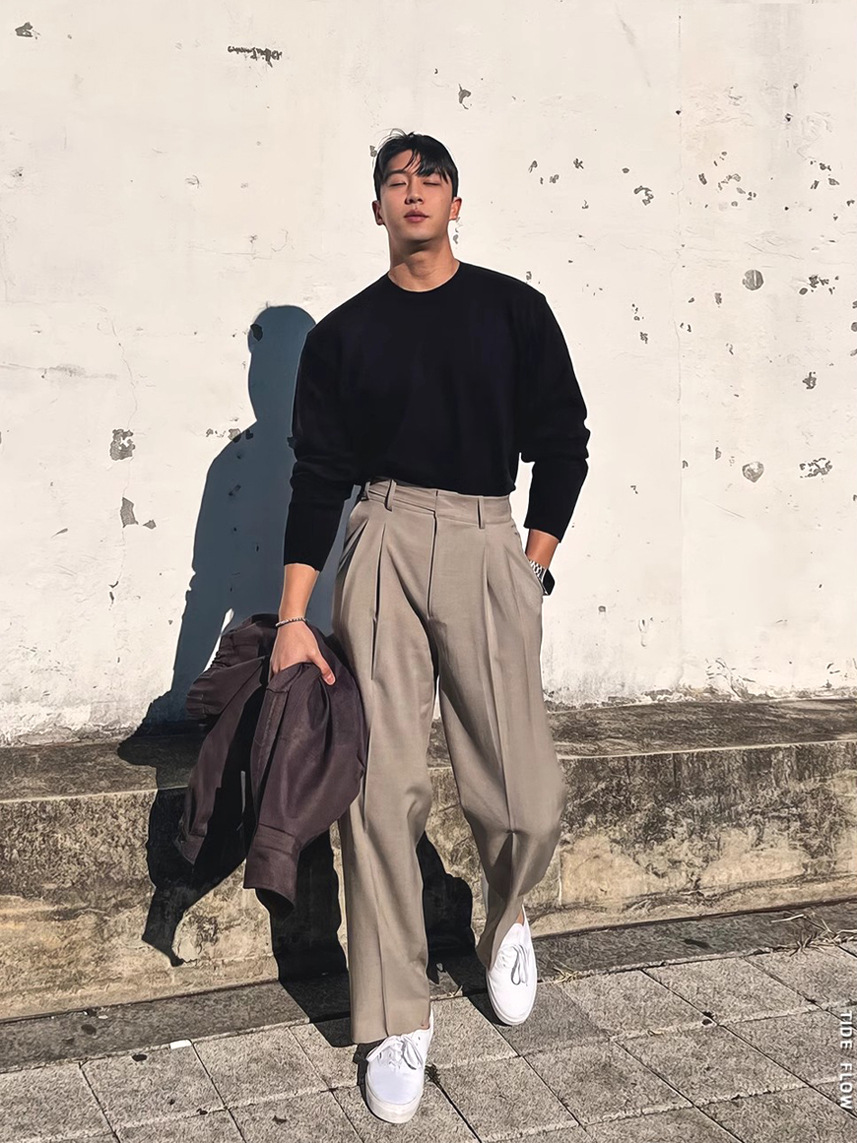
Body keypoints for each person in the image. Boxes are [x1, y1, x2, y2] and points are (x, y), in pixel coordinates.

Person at [270, 130, 590, 1124]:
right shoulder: (341, 336)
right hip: (381, 538)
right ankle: (395, 1014)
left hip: (489, 539)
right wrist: (293, 616)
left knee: (525, 791)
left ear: (456, 202)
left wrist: (529, 566)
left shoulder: (512, 310)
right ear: (375, 209)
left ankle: (507, 911)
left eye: (430, 178)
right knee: (381, 790)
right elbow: (316, 478)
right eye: (394, 181)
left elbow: (563, 442)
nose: (412, 192)